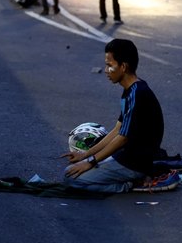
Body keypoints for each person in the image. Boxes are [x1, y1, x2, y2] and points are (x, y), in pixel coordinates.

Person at [62, 39, 166, 193]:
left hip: (135, 164)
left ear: (123, 67)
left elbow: (122, 138)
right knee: (72, 169)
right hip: (127, 157)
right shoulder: (132, 90)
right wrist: (85, 154)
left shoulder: (138, 94)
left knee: (70, 178)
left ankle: (129, 185)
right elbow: (118, 129)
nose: (105, 70)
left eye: (110, 65)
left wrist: (90, 162)